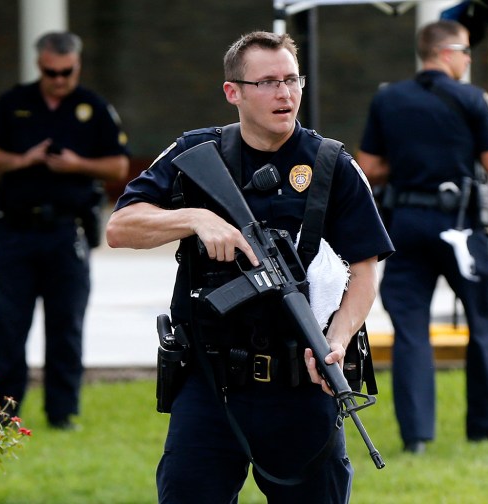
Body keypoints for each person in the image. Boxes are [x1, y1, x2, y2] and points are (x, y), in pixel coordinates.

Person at [106, 31, 392, 503]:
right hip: (211, 384)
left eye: (292, 79)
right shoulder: (196, 154)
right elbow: (121, 228)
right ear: (232, 91)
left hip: (302, 383)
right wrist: (195, 219)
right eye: (268, 82)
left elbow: (363, 275)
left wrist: (336, 343)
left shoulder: (332, 164)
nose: (285, 93)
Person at [356, 20, 488, 454]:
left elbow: (368, 166)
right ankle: (487, 426)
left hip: (406, 225)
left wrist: (409, 167)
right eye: (466, 52)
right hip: (459, 229)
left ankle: (416, 439)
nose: (469, 60)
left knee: (411, 331)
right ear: (447, 52)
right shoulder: (470, 98)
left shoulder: (388, 98)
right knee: (484, 322)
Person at [0, 31, 130, 430]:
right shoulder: (13, 102)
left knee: (66, 327)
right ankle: (3, 413)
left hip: (66, 233)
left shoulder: (93, 107)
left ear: (77, 65)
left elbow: (118, 166)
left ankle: (62, 414)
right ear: (39, 65)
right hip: (15, 232)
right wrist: (23, 159)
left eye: (66, 72)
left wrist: (78, 165)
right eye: (50, 71)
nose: (58, 79)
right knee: (9, 325)